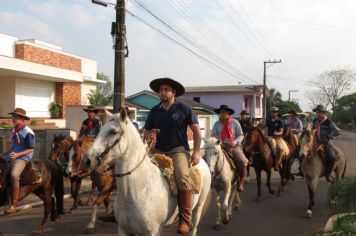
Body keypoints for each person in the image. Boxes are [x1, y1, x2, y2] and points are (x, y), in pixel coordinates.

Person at [144, 77, 201, 235]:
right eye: (161, 90)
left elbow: (196, 131)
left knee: (182, 177)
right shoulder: (154, 110)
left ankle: (184, 220)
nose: (162, 92)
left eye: (166, 90)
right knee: (136, 171)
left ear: (173, 92)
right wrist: (148, 137)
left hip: (178, 150)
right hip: (158, 151)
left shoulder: (184, 108)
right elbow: (146, 131)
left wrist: (196, 152)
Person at [1, 108, 35, 214]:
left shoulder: (28, 132)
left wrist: (17, 154)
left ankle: (14, 205)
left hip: (23, 157)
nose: (13, 119)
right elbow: (14, 146)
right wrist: (3, 154)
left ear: (22, 119)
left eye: (15, 117)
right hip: (13, 154)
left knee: (14, 175)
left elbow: (31, 149)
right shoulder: (15, 129)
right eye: (13, 117)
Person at [212, 105, 249, 192]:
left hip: (233, 146)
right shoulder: (216, 124)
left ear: (228, 113)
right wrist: (217, 142)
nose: (221, 114)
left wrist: (234, 142)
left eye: (223, 112)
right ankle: (210, 180)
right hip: (220, 146)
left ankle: (241, 181)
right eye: (220, 112)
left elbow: (241, 135)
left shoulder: (235, 122)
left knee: (242, 161)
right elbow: (213, 136)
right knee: (208, 158)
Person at [312, 105, 341, 182]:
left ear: (323, 113)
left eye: (319, 112)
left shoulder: (329, 122)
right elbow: (312, 129)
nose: (317, 114)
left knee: (331, 157)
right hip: (315, 142)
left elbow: (337, 131)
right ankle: (302, 170)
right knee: (303, 153)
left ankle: (328, 173)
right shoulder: (315, 120)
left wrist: (329, 137)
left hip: (325, 143)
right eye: (316, 112)